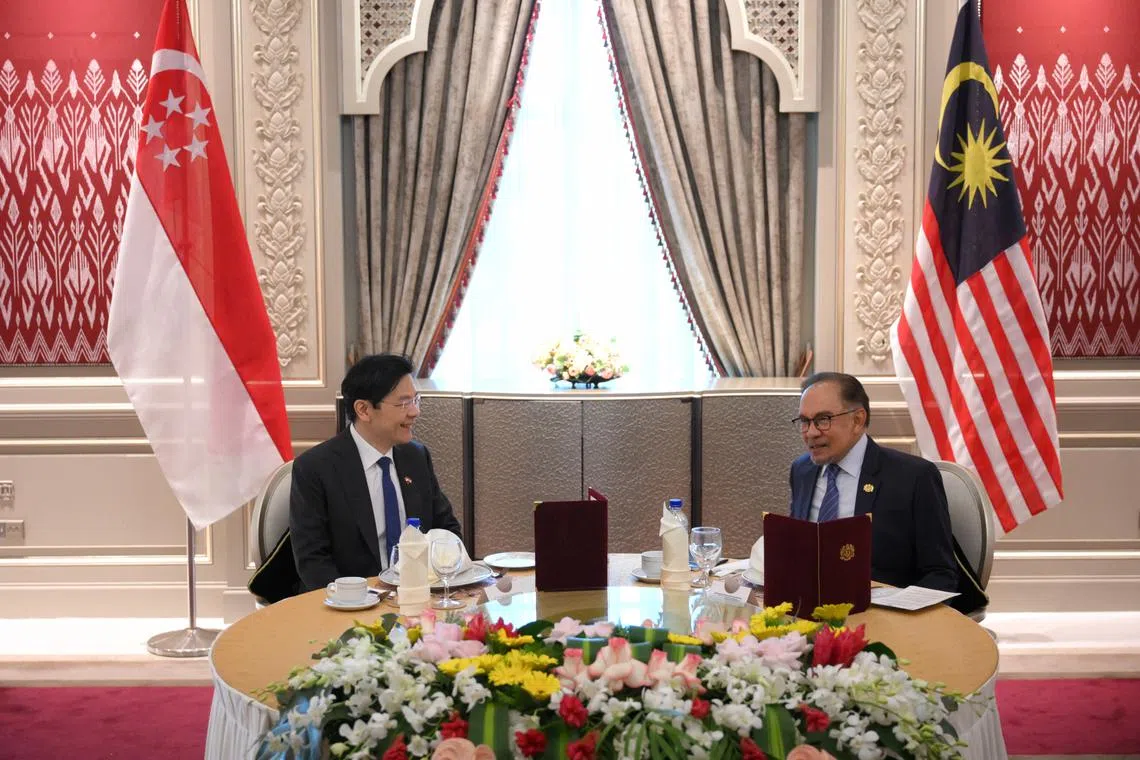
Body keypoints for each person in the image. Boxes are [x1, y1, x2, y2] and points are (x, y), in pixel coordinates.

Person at [290, 354, 462, 592]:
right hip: (349, 607)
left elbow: (447, 531)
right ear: (364, 409)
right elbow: (313, 562)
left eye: (416, 400)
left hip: (417, 597)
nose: (415, 412)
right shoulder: (315, 468)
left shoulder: (416, 457)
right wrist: (361, 601)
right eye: (403, 403)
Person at [788, 372, 959, 593]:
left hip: (883, 615)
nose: (810, 433)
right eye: (804, 421)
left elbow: (940, 575)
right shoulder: (802, 471)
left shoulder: (914, 478)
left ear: (857, 420)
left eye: (823, 420)